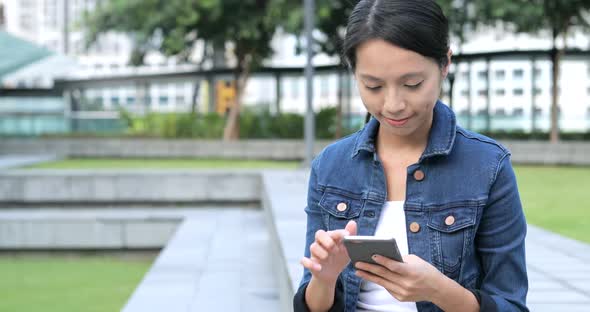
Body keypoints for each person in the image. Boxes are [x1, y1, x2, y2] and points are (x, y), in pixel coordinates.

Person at [293, 1, 529, 311]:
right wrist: (323, 278)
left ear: (445, 64)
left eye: (412, 84)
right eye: (373, 85)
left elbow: (510, 304)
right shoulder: (331, 166)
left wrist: (439, 290)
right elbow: (311, 302)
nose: (393, 104)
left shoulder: (487, 166)